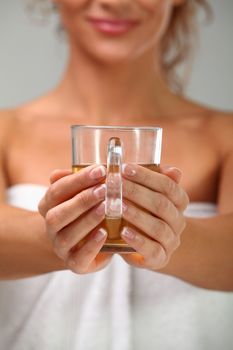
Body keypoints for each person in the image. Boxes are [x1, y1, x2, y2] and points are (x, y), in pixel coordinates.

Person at [0, 0, 232, 349]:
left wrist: (168, 236)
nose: (114, 2)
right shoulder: (5, 132)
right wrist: (59, 235)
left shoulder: (225, 136)